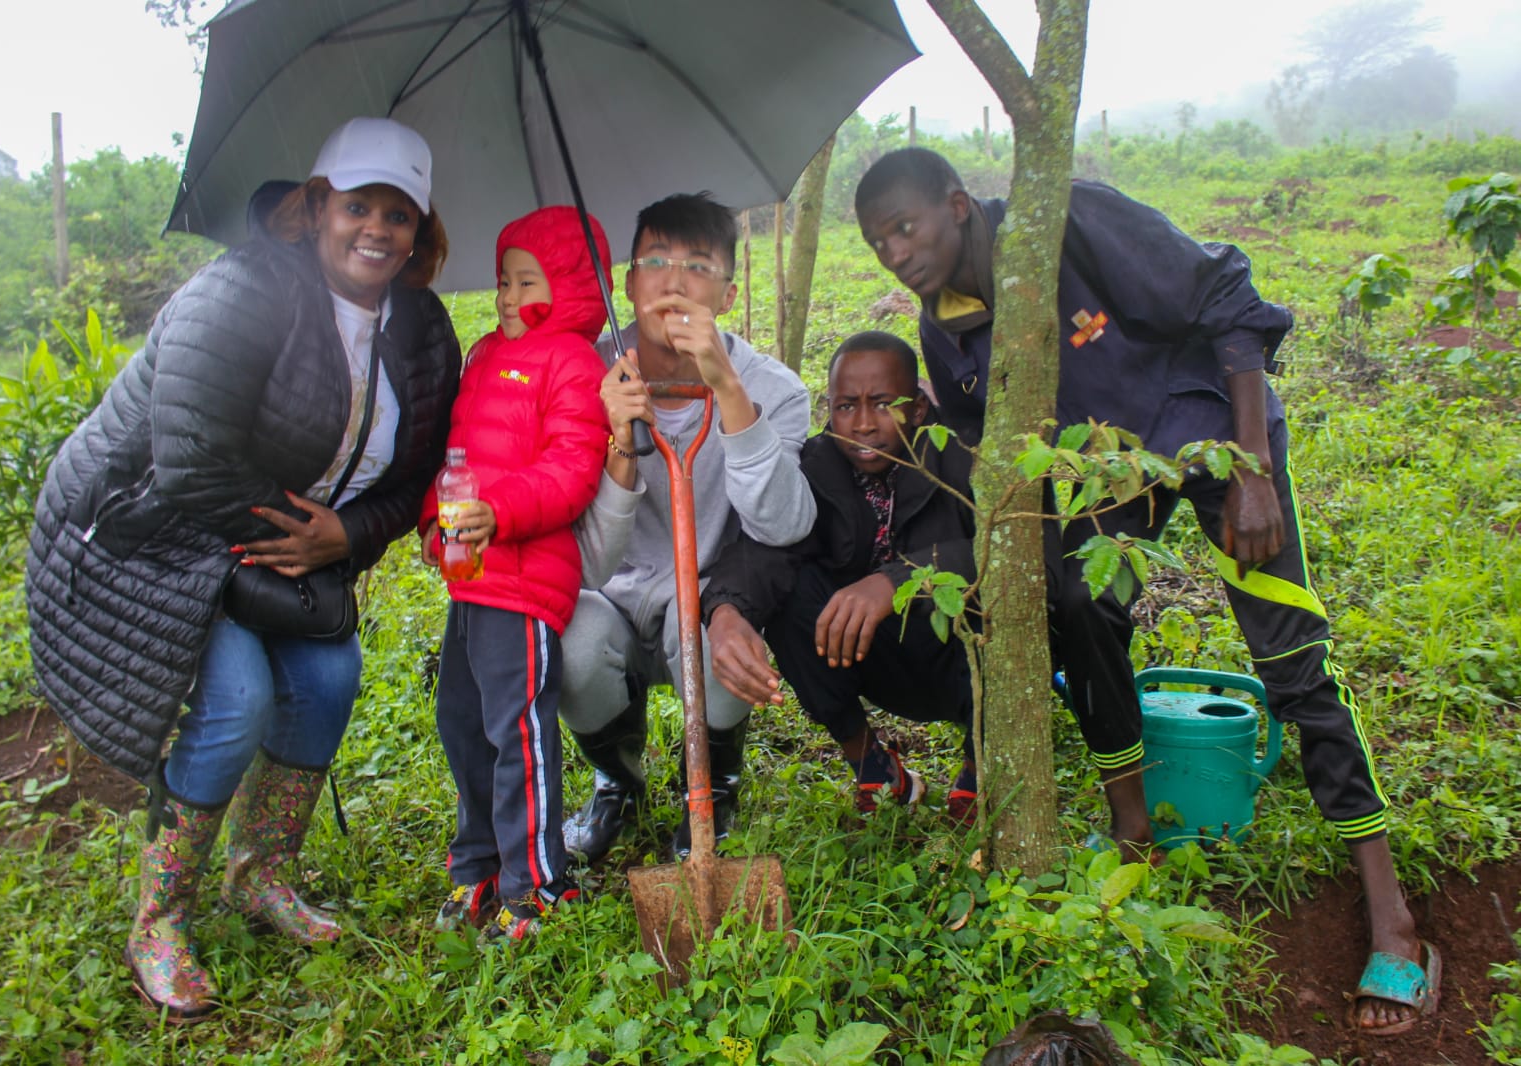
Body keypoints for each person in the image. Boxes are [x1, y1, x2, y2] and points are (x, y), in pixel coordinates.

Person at [853, 147, 1431, 1035]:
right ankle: (1134, 827)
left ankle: (1389, 909)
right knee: (1077, 607)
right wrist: (927, 454)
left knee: (1290, 657)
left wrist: (1251, 469)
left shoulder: (1071, 220)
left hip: (1207, 434)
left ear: (959, 206)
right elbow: (987, 439)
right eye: (877, 241)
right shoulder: (946, 324)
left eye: (905, 226)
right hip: (1107, 481)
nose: (895, 252)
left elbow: (1226, 300)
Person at [25, 117, 460, 1022]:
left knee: (332, 674)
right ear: (316, 207)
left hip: (284, 547)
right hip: (158, 532)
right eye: (356, 207)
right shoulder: (242, 291)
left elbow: (417, 469)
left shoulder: (421, 327)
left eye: (399, 213)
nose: (376, 229)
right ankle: (160, 917)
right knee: (235, 703)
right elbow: (184, 460)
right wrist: (298, 536)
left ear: (421, 229)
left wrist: (344, 536)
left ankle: (260, 874)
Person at [559, 192, 816, 865]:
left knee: (711, 633)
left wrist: (728, 389)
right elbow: (586, 567)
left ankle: (716, 786)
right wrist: (615, 439)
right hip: (608, 593)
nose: (674, 282)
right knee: (573, 643)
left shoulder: (776, 387)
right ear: (628, 283)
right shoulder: (582, 374)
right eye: (655, 261)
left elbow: (782, 523)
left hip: (698, 593)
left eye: (698, 266)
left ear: (727, 294)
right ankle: (618, 778)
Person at [417, 206, 612, 940]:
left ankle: (537, 885)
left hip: (526, 575)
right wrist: (434, 517)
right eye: (503, 280)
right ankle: (479, 864)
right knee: (460, 721)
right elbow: (460, 452)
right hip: (470, 571)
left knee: (515, 730)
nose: (505, 297)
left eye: (525, 281)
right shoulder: (484, 355)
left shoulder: (573, 362)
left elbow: (570, 470)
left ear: (567, 287)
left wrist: (498, 512)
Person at [701, 331, 982, 820]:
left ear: (917, 409)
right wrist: (725, 608)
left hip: (960, 656)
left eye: (883, 405)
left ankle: (981, 764)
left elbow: (1019, 555)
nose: (864, 425)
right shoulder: (819, 464)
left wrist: (896, 579)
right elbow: (771, 550)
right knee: (788, 598)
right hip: (871, 655)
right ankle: (872, 763)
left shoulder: (962, 457)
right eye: (846, 407)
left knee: (1006, 599)